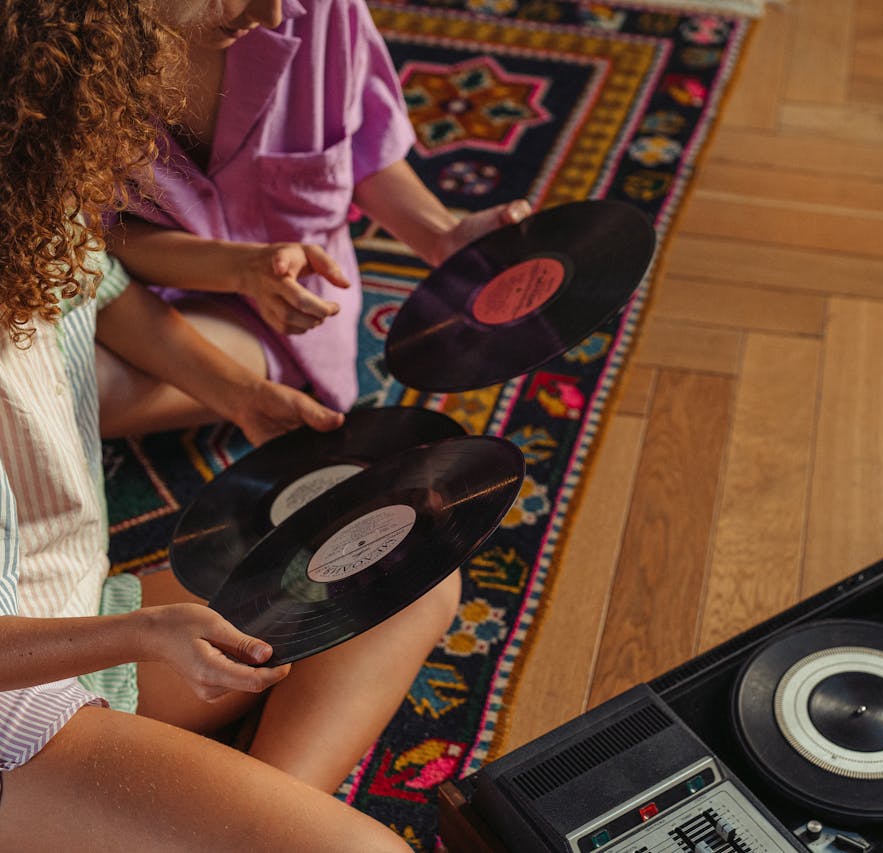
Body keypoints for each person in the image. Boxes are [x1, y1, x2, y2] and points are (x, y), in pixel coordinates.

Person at [0, 2, 443, 848]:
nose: (137, 153)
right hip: (16, 715)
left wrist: (244, 396)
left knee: (405, 552)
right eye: (120, 119)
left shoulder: (31, 208)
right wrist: (144, 631)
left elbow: (102, 287)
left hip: (75, 611)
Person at [103, 0, 532, 436]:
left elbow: (355, 146)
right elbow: (90, 250)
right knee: (47, 388)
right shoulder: (53, 63)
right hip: (118, 296)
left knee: (90, 391)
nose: (274, 14)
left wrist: (443, 236)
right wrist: (240, 271)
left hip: (288, 308)